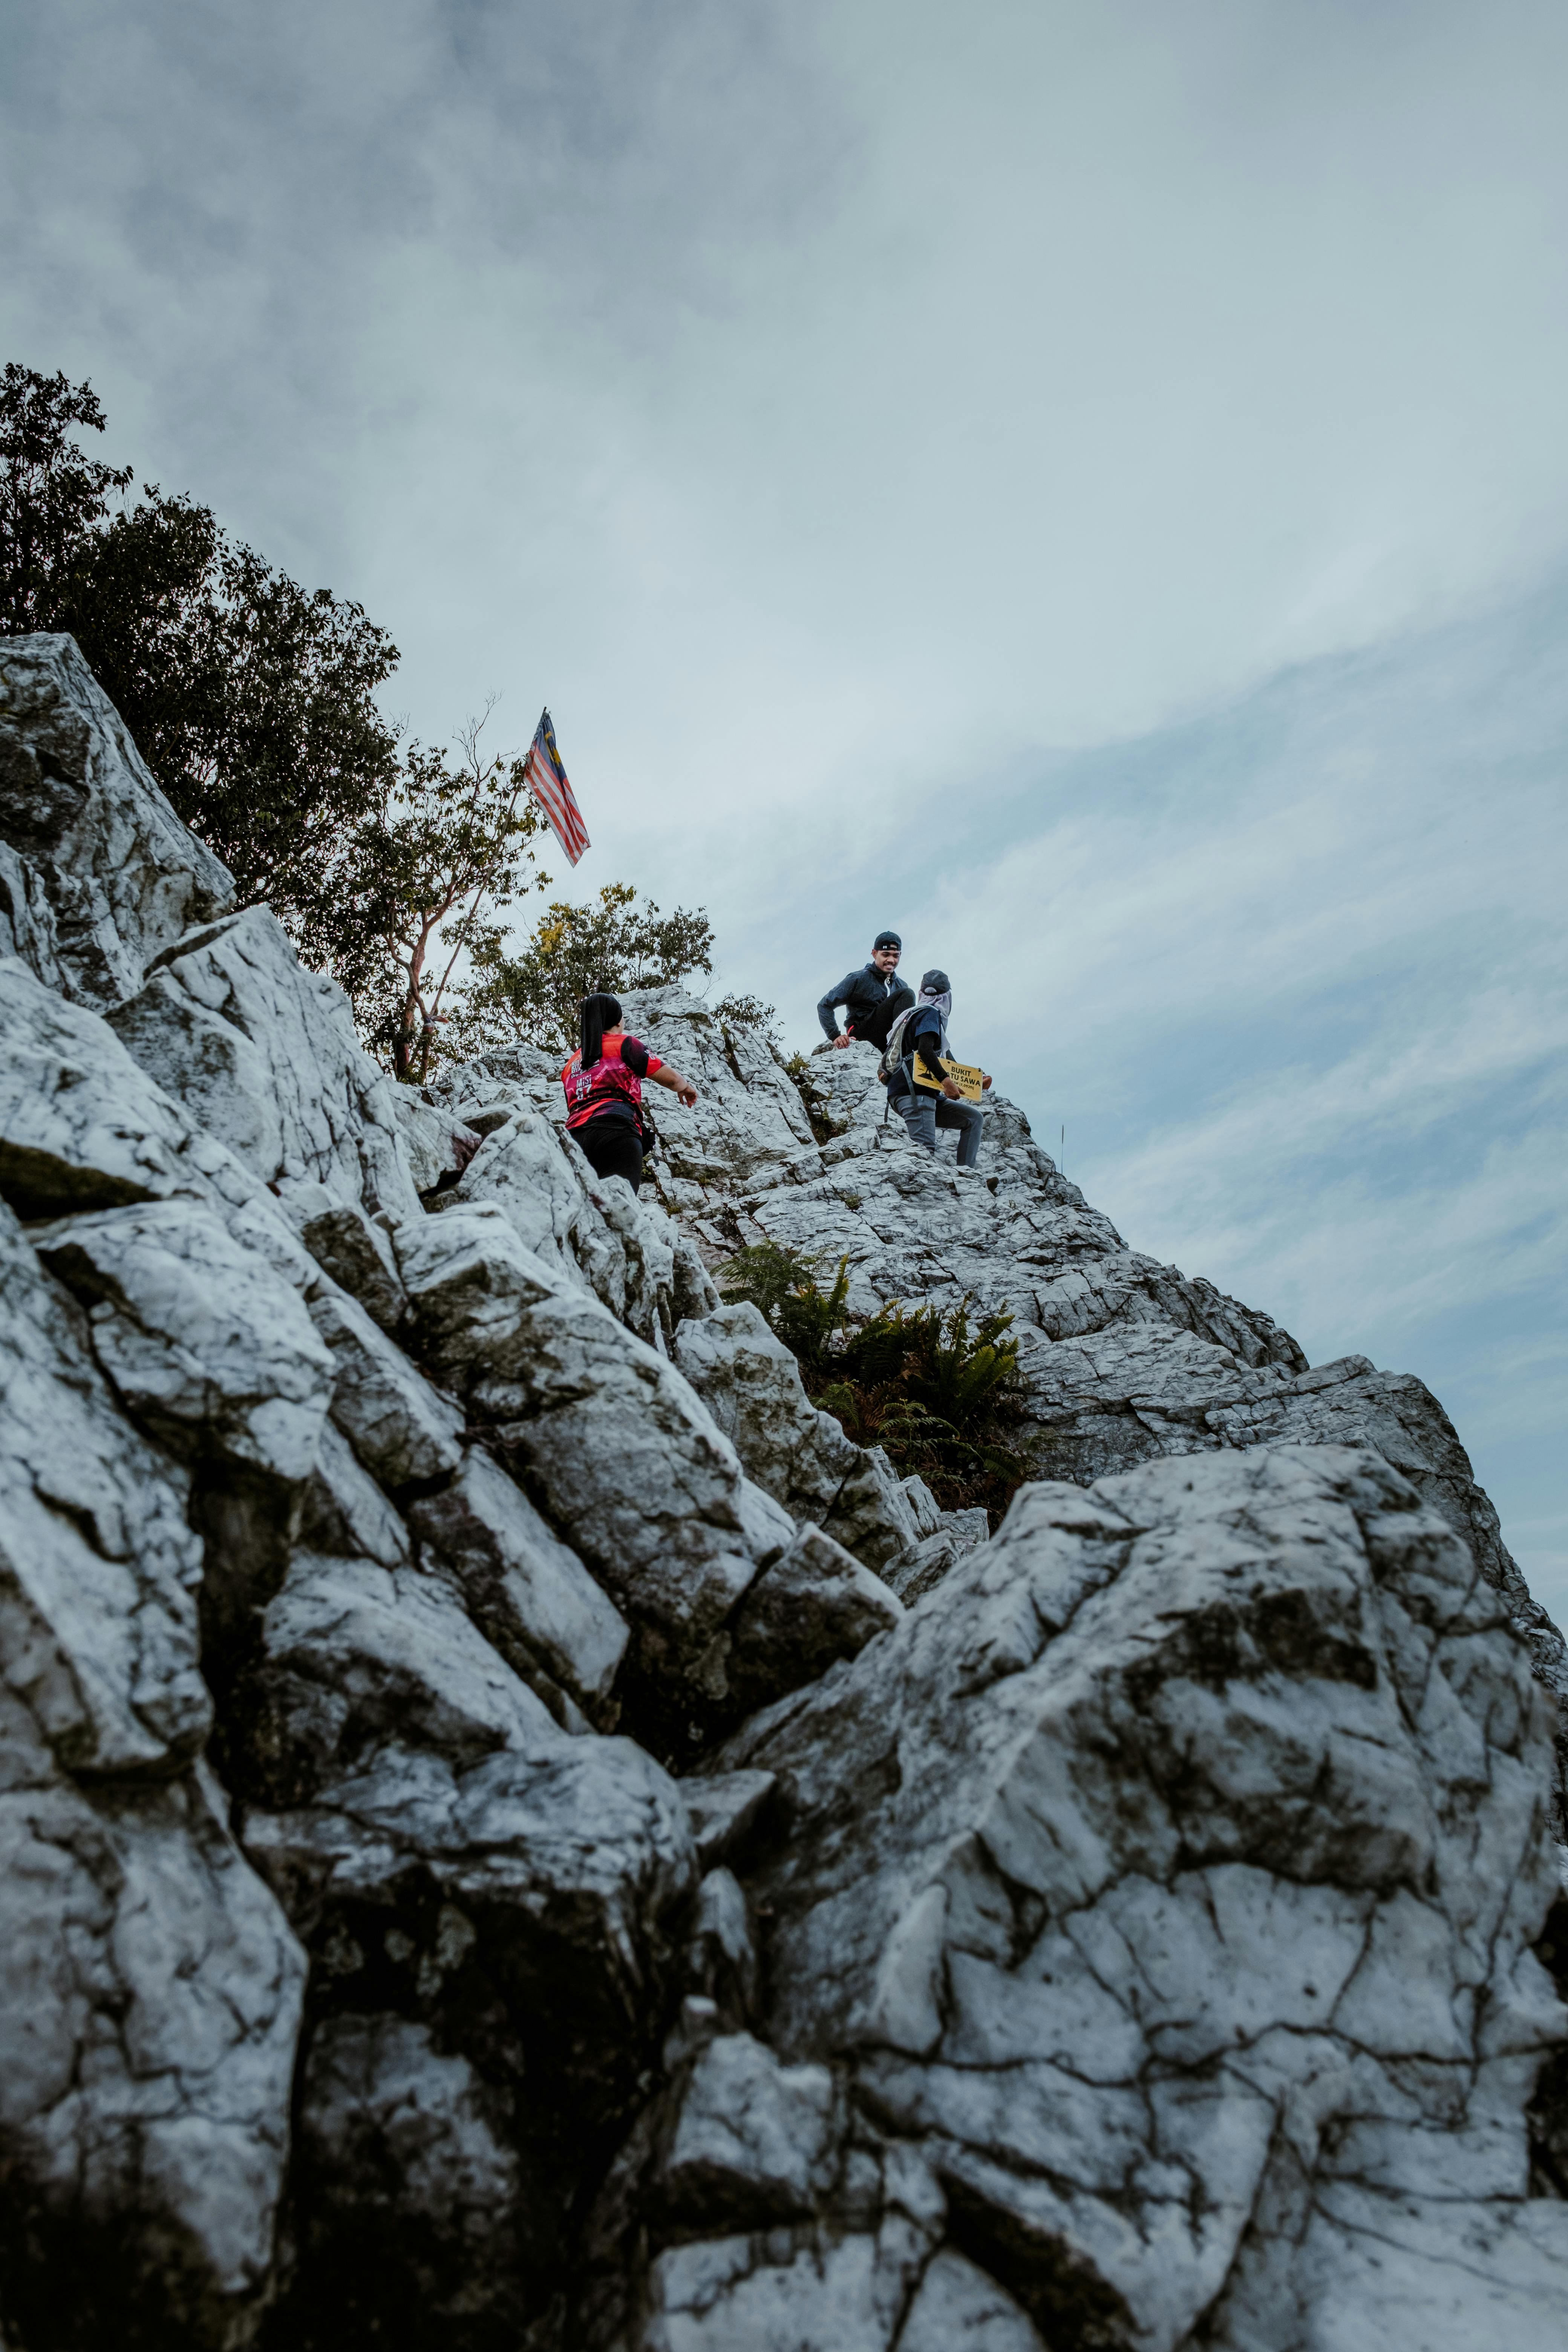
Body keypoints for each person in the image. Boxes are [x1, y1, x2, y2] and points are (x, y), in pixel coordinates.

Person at [560, 992, 698, 1193]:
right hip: (617, 1134)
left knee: (584, 1212)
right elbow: (673, 1080)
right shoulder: (625, 1044)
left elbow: (573, 1107)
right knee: (620, 1207)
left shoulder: (570, 1066)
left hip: (574, 1141)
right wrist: (687, 1088)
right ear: (618, 1020)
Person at [887, 968, 992, 1170]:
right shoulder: (930, 1013)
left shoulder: (912, 1014)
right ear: (947, 997)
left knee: (973, 1119)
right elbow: (925, 1050)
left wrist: (977, 1082)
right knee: (923, 1155)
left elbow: (945, 1060)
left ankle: (966, 1174)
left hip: (919, 1094)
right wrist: (946, 1082)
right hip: (914, 1094)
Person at [816, 931, 915, 1053]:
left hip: (887, 1038)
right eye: (886, 955)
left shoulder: (900, 985)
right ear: (874, 954)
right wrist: (835, 1035)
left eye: (896, 956)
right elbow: (824, 1005)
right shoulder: (859, 978)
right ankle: (899, 1053)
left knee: (929, 1014)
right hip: (863, 1034)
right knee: (907, 994)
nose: (891, 960)